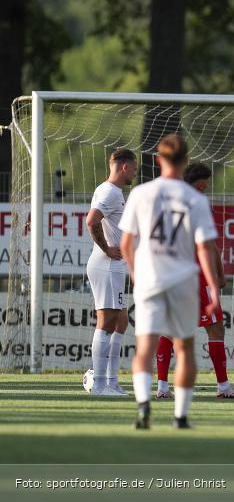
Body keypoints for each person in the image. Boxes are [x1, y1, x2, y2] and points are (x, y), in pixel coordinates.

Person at [120, 134, 222, 430]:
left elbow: (127, 243)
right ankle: (180, 416)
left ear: (157, 158)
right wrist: (213, 288)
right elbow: (205, 248)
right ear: (186, 161)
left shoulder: (141, 193)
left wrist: (136, 273)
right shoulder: (195, 198)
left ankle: (143, 408)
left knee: (144, 348)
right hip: (183, 281)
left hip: (149, 279)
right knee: (186, 348)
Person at [155, 163, 234, 400]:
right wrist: (217, 275)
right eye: (207, 182)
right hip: (196, 275)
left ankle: (162, 387)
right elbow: (208, 246)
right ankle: (224, 386)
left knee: (168, 330)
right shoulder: (197, 204)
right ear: (200, 183)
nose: (208, 186)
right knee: (216, 327)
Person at [84, 148, 138, 396]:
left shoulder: (111, 191)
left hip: (113, 265)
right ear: (125, 167)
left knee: (121, 321)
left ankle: (112, 382)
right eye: (134, 168)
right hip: (107, 265)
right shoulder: (109, 192)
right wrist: (106, 248)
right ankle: (100, 385)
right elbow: (92, 220)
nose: (135, 173)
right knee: (106, 323)